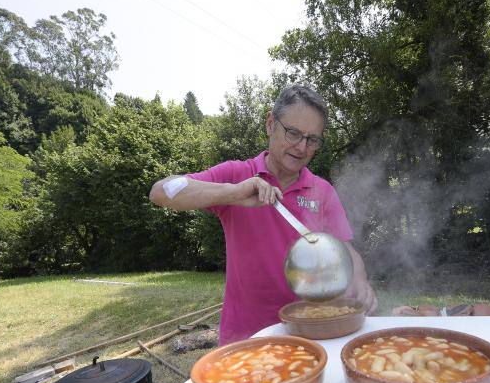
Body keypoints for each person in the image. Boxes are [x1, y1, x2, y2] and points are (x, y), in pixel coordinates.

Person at [149, 85, 377, 344]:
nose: (301, 148)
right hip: (245, 338)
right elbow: (161, 191)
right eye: (293, 133)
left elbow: (345, 249)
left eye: (312, 139)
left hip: (308, 334)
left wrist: (359, 278)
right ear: (271, 124)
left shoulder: (322, 191)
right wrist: (233, 192)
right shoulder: (237, 175)